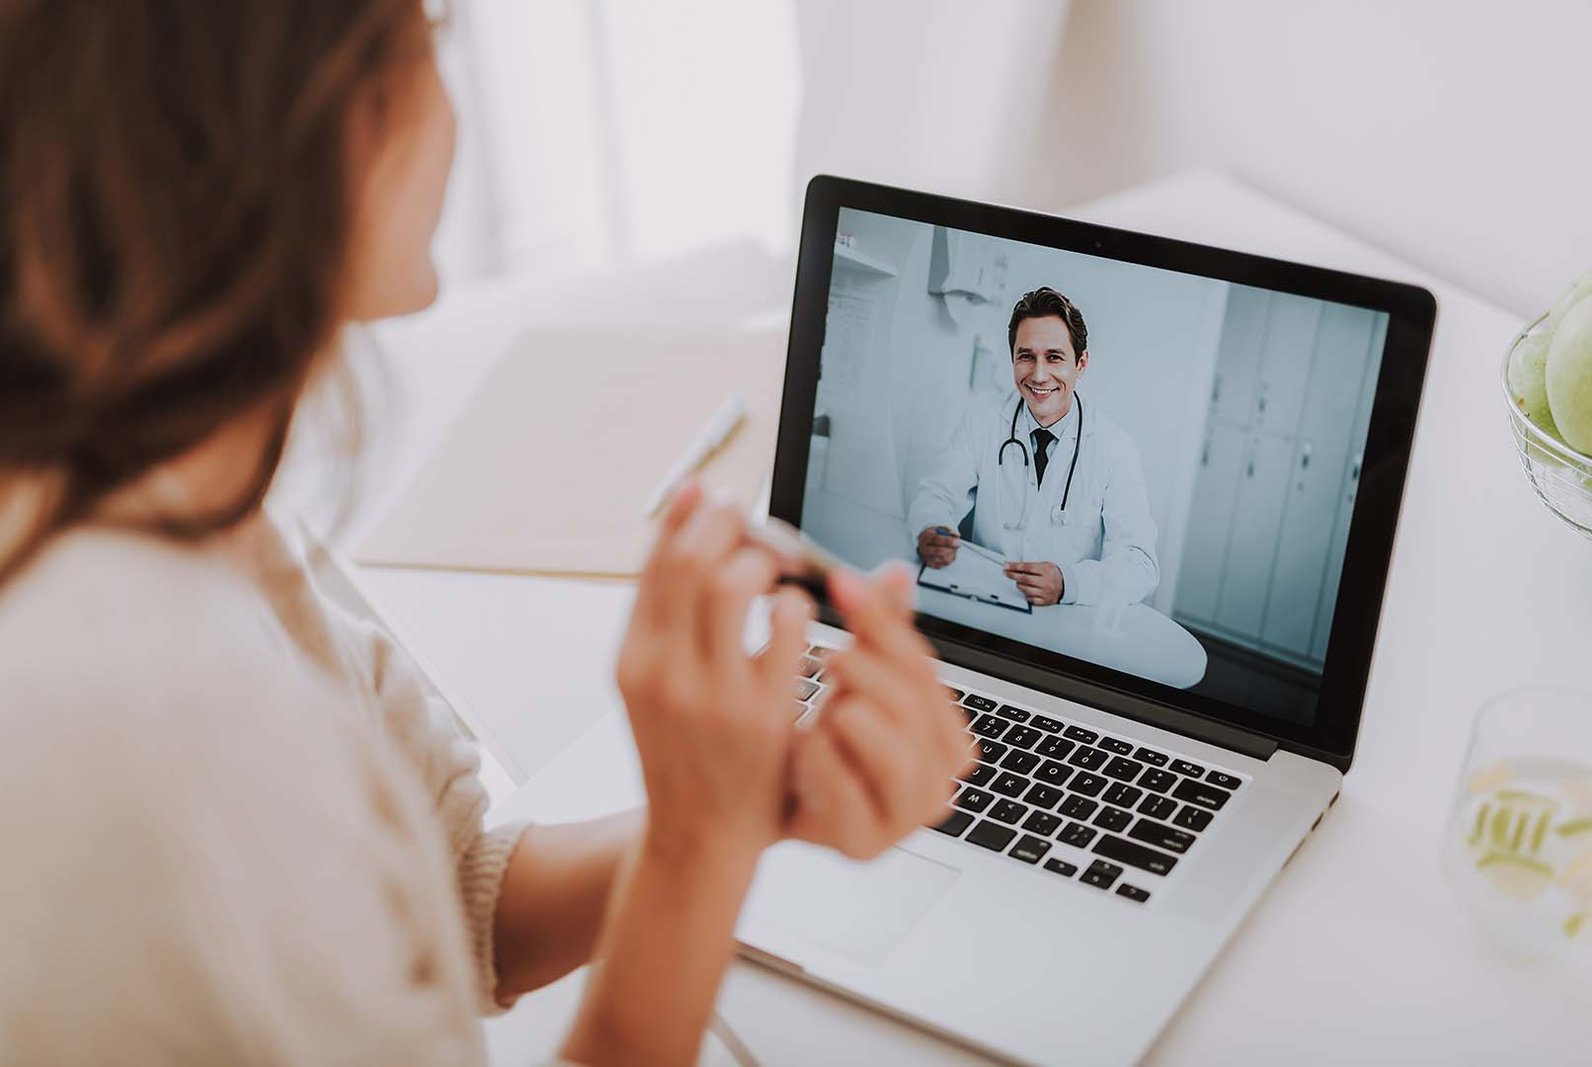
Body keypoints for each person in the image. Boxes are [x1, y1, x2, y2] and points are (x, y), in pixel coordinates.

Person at [0, 3, 970, 1064]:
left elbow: (451, 887)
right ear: (300, 116)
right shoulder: (168, 726)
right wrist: (697, 846)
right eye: (427, 40)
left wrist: (746, 805)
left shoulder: (165, 500)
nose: (449, 104)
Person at [907, 287, 1160, 607]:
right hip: (983, 599)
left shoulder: (1116, 450)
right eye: (1026, 356)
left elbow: (1140, 563)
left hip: (1063, 617)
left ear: (1081, 363)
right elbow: (936, 494)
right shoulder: (983, 418)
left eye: (1054, 357)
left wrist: (1069, 583)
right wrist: (931, 528)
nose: (1039, 375)